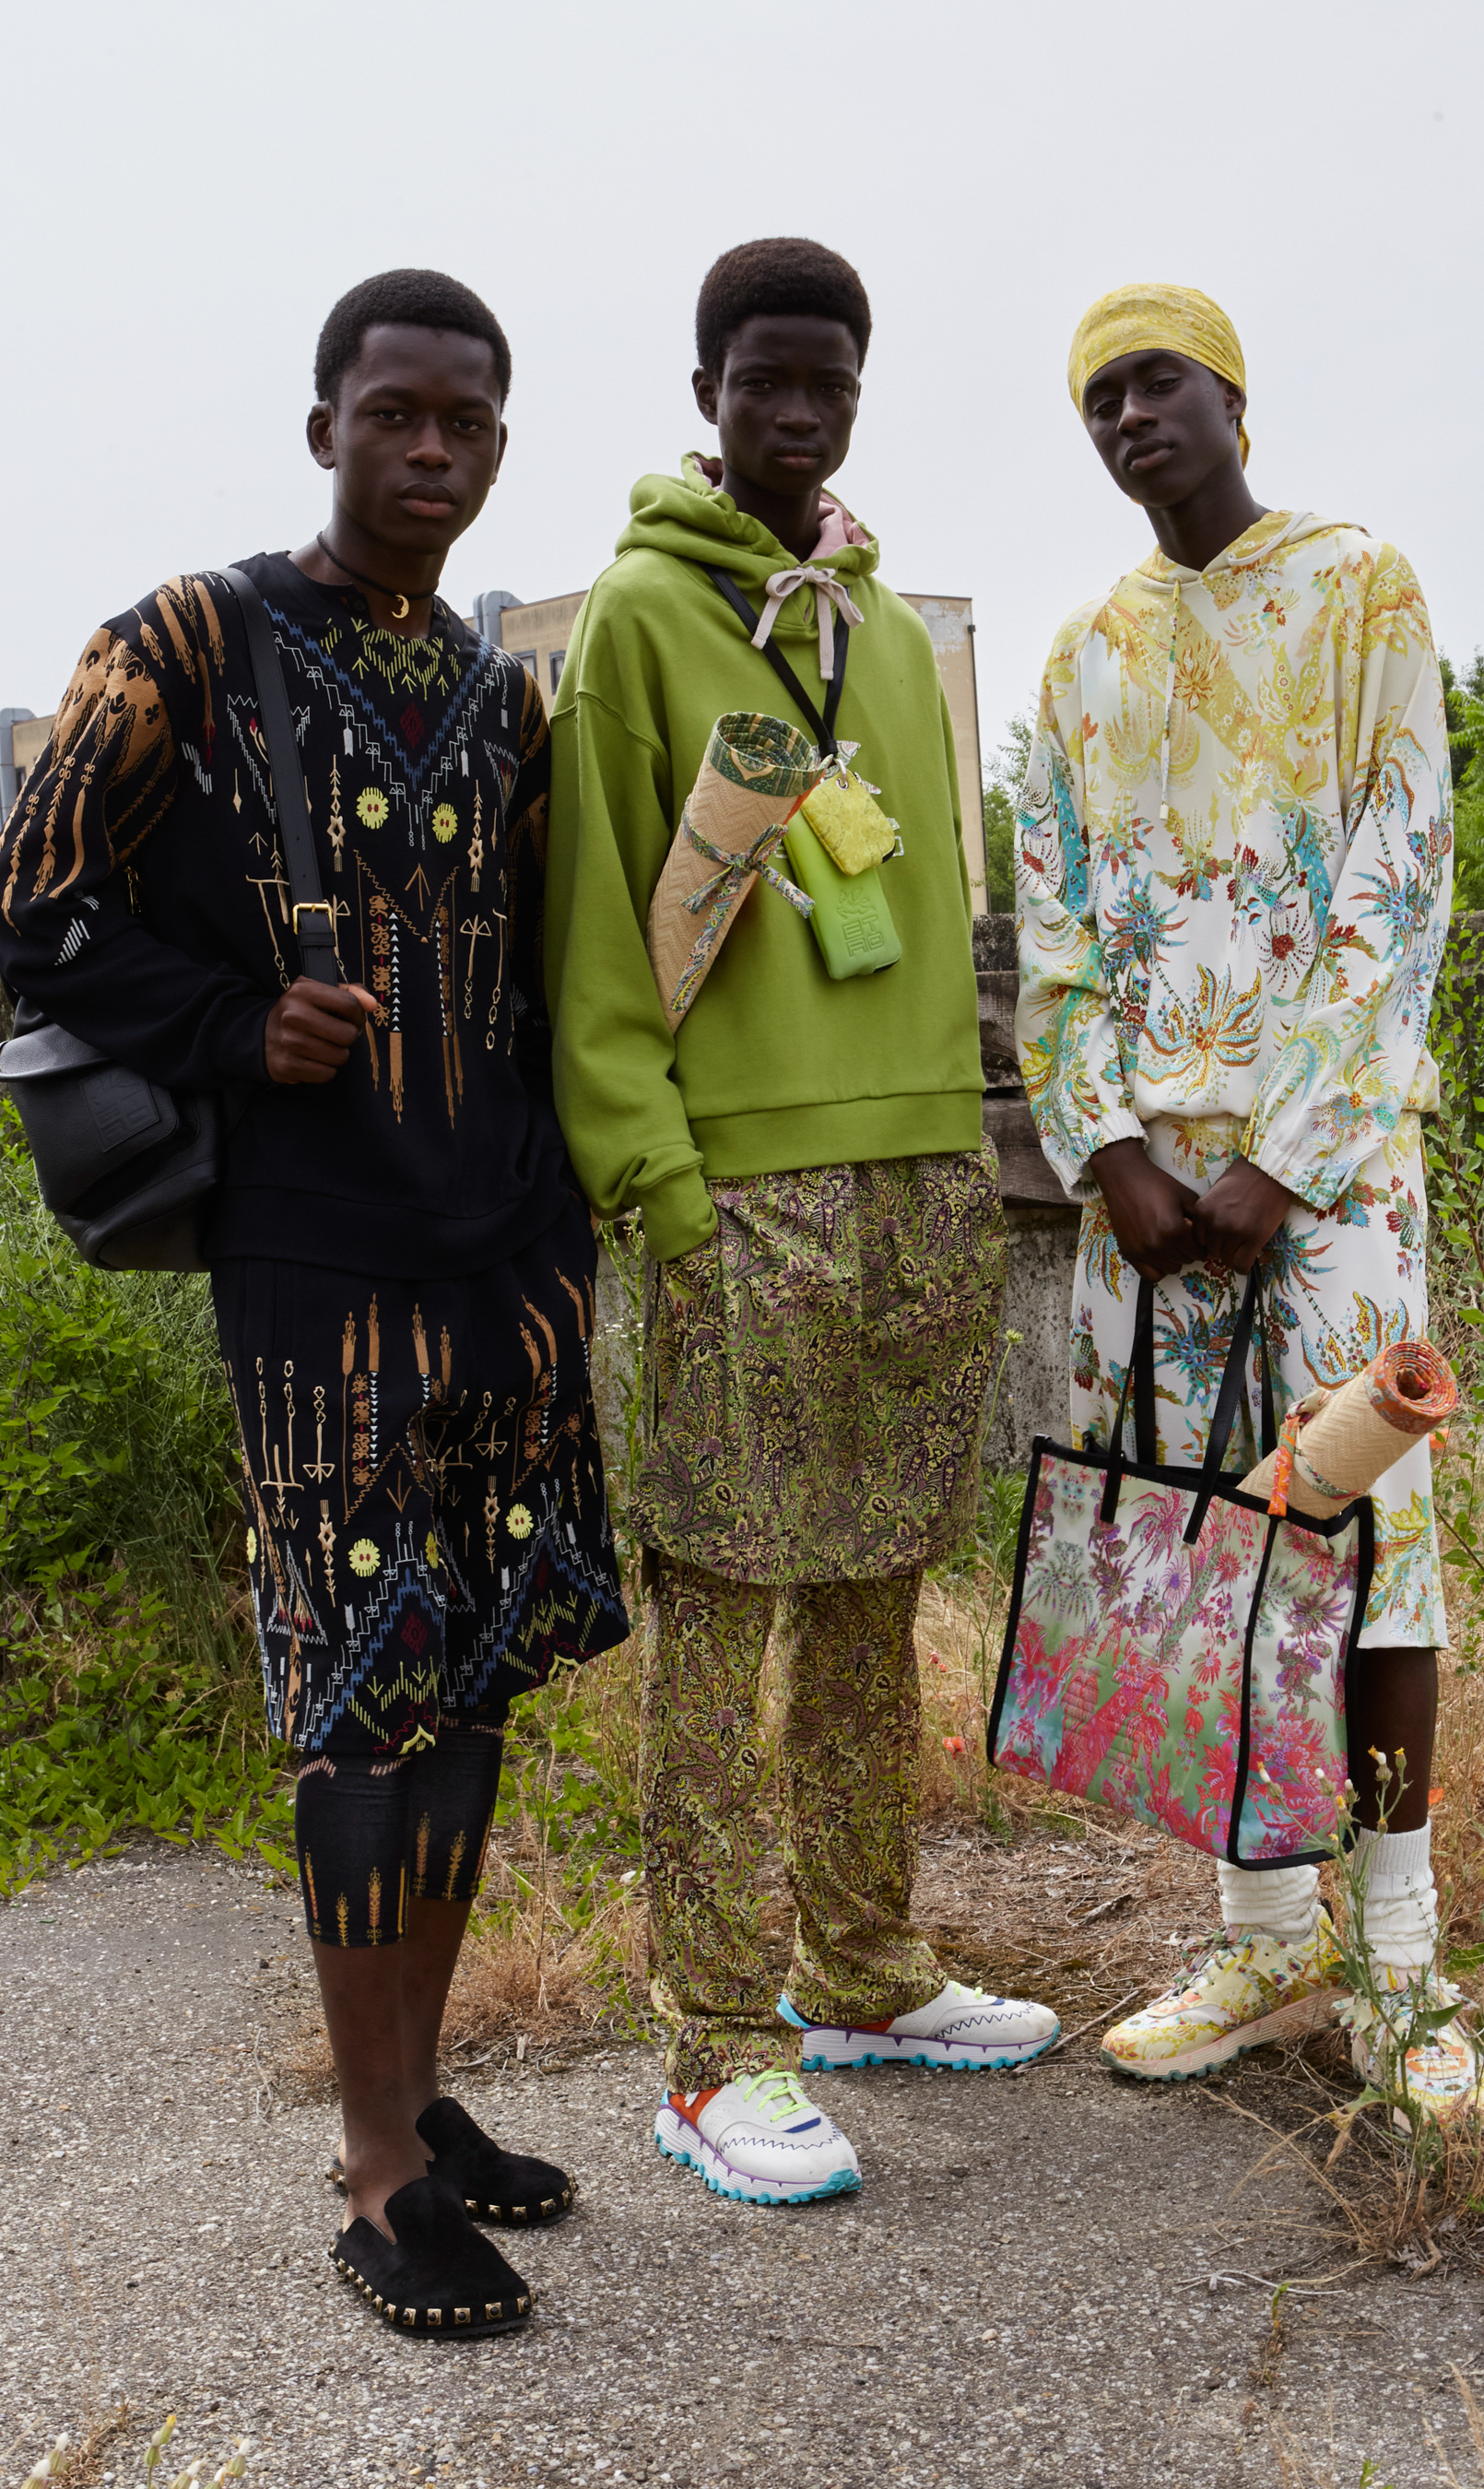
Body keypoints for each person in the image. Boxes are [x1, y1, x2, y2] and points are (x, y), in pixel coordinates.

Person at [0, 268, 629, 2330]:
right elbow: (35, 914)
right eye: (392, 415)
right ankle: (371, 2178)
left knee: (469, 1691)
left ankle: (422, 2102)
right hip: (317, 1273)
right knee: (365, 1702)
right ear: (323, 427)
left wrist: (574, 1228)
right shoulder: (183, 641)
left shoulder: (501, 692)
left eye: (465, 421)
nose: (428, 450)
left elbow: (545, 973)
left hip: (505, 1257)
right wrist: (231, 1018)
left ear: (499, 446)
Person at [546, 234, 1057, 2207]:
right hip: (735, 1194)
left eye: (825, 378)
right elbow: (601, 921)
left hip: (915, 1177)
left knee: (868, 1597)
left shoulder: (878, 629)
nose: (793, 407)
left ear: (856, 390)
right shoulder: (637, 621)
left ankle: (863, 1966)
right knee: (721, 1614)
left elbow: (923, 913)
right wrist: (657, 1187)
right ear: (704, 395)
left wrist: (958, 1145)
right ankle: (711, 2047)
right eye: (760, 376)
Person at [1016, 282, 1484, 2123]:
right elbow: (1052, 930)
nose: (1133, 417)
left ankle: (1397, 1963)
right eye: (1101, 400)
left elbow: (1402, 872)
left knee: (1368, 1554)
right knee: (1200, 1557)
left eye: (1160, 383)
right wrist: (1114, 1155)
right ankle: (1257, 1935)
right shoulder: (1078, 658)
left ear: (1232, 397)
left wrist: (1276, 1159)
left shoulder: (1360, 585)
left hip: (1332, 1169)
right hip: (1146, 1193)